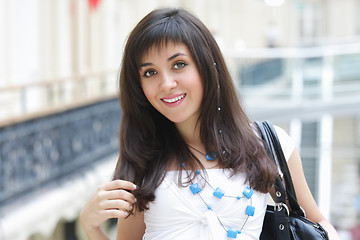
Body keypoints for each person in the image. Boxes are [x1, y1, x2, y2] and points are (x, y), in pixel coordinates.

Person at [80, 8, 340, 240]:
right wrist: (91, 227)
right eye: (150, 72)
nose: (166, 84)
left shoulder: (267, 143)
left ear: (206, 66)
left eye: (179, 65)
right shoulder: (142, 158)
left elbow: (314, 223)